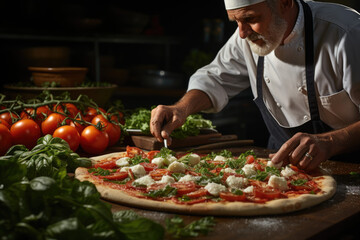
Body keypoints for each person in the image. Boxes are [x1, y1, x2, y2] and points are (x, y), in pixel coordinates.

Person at [150, 0, 360, 171]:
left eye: (251, 19)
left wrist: (331, 142)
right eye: (236, 21)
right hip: (282, 166)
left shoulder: (347, 33)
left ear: (284, 3)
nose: (241, 33)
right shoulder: (248, 35)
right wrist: (181, 108)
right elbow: (215, 78)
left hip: (351, 167)